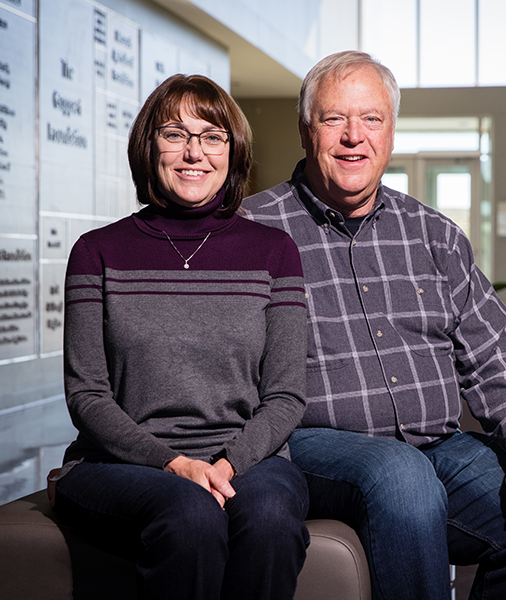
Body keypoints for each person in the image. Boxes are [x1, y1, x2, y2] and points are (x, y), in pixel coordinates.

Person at [242, 51, 506, 600]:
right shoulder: (253, 233)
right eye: (335, 119)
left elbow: (496, 354)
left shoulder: (434, 234)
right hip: (309, 447)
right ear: (307, 131)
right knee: (401, 475)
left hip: (437, 447)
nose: (355, 136)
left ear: (391, 132)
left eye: (371, 119)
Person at [51, 74, 309, 600]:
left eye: (212, 136)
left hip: (248, 460)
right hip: (119, 464)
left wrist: (227, 464)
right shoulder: (96, 252)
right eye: (175, 134)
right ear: (150, 146)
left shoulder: (273, 251)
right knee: (190, 514)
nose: (194, 152)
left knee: (269, 517)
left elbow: (286, 395)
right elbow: (87, 395)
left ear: (233, 153)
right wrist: (172, 464)